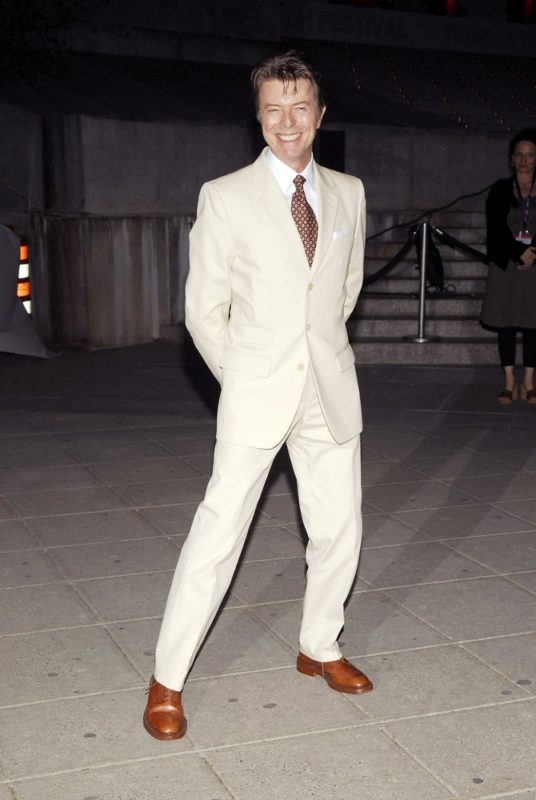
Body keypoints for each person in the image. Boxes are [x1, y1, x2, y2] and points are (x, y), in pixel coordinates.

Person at [143, 50, 372, 741]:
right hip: (256, 389)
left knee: (338, 528)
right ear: (258, 117)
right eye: (273, 109)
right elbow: (203, 310)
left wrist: (319, 352)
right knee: (217, 535)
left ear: (320, 115)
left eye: (300, 108)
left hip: (327, 388)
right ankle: (167, 679)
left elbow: (345, 288)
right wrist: (242, 376)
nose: (287, 122)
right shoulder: (225, 195)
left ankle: (320, 646)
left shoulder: (350, 193)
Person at [481, 127, 536, 404]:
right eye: (520, 155)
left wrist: (532, 253)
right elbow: (496, 229)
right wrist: (519, 253)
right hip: (506, 267)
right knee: (505, 324)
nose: (524, 160)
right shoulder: (501, 189)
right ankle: (509, 381)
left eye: (530, 155)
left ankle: (528, 381)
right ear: (512, 159)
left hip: (535, 268)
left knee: (532, 325)